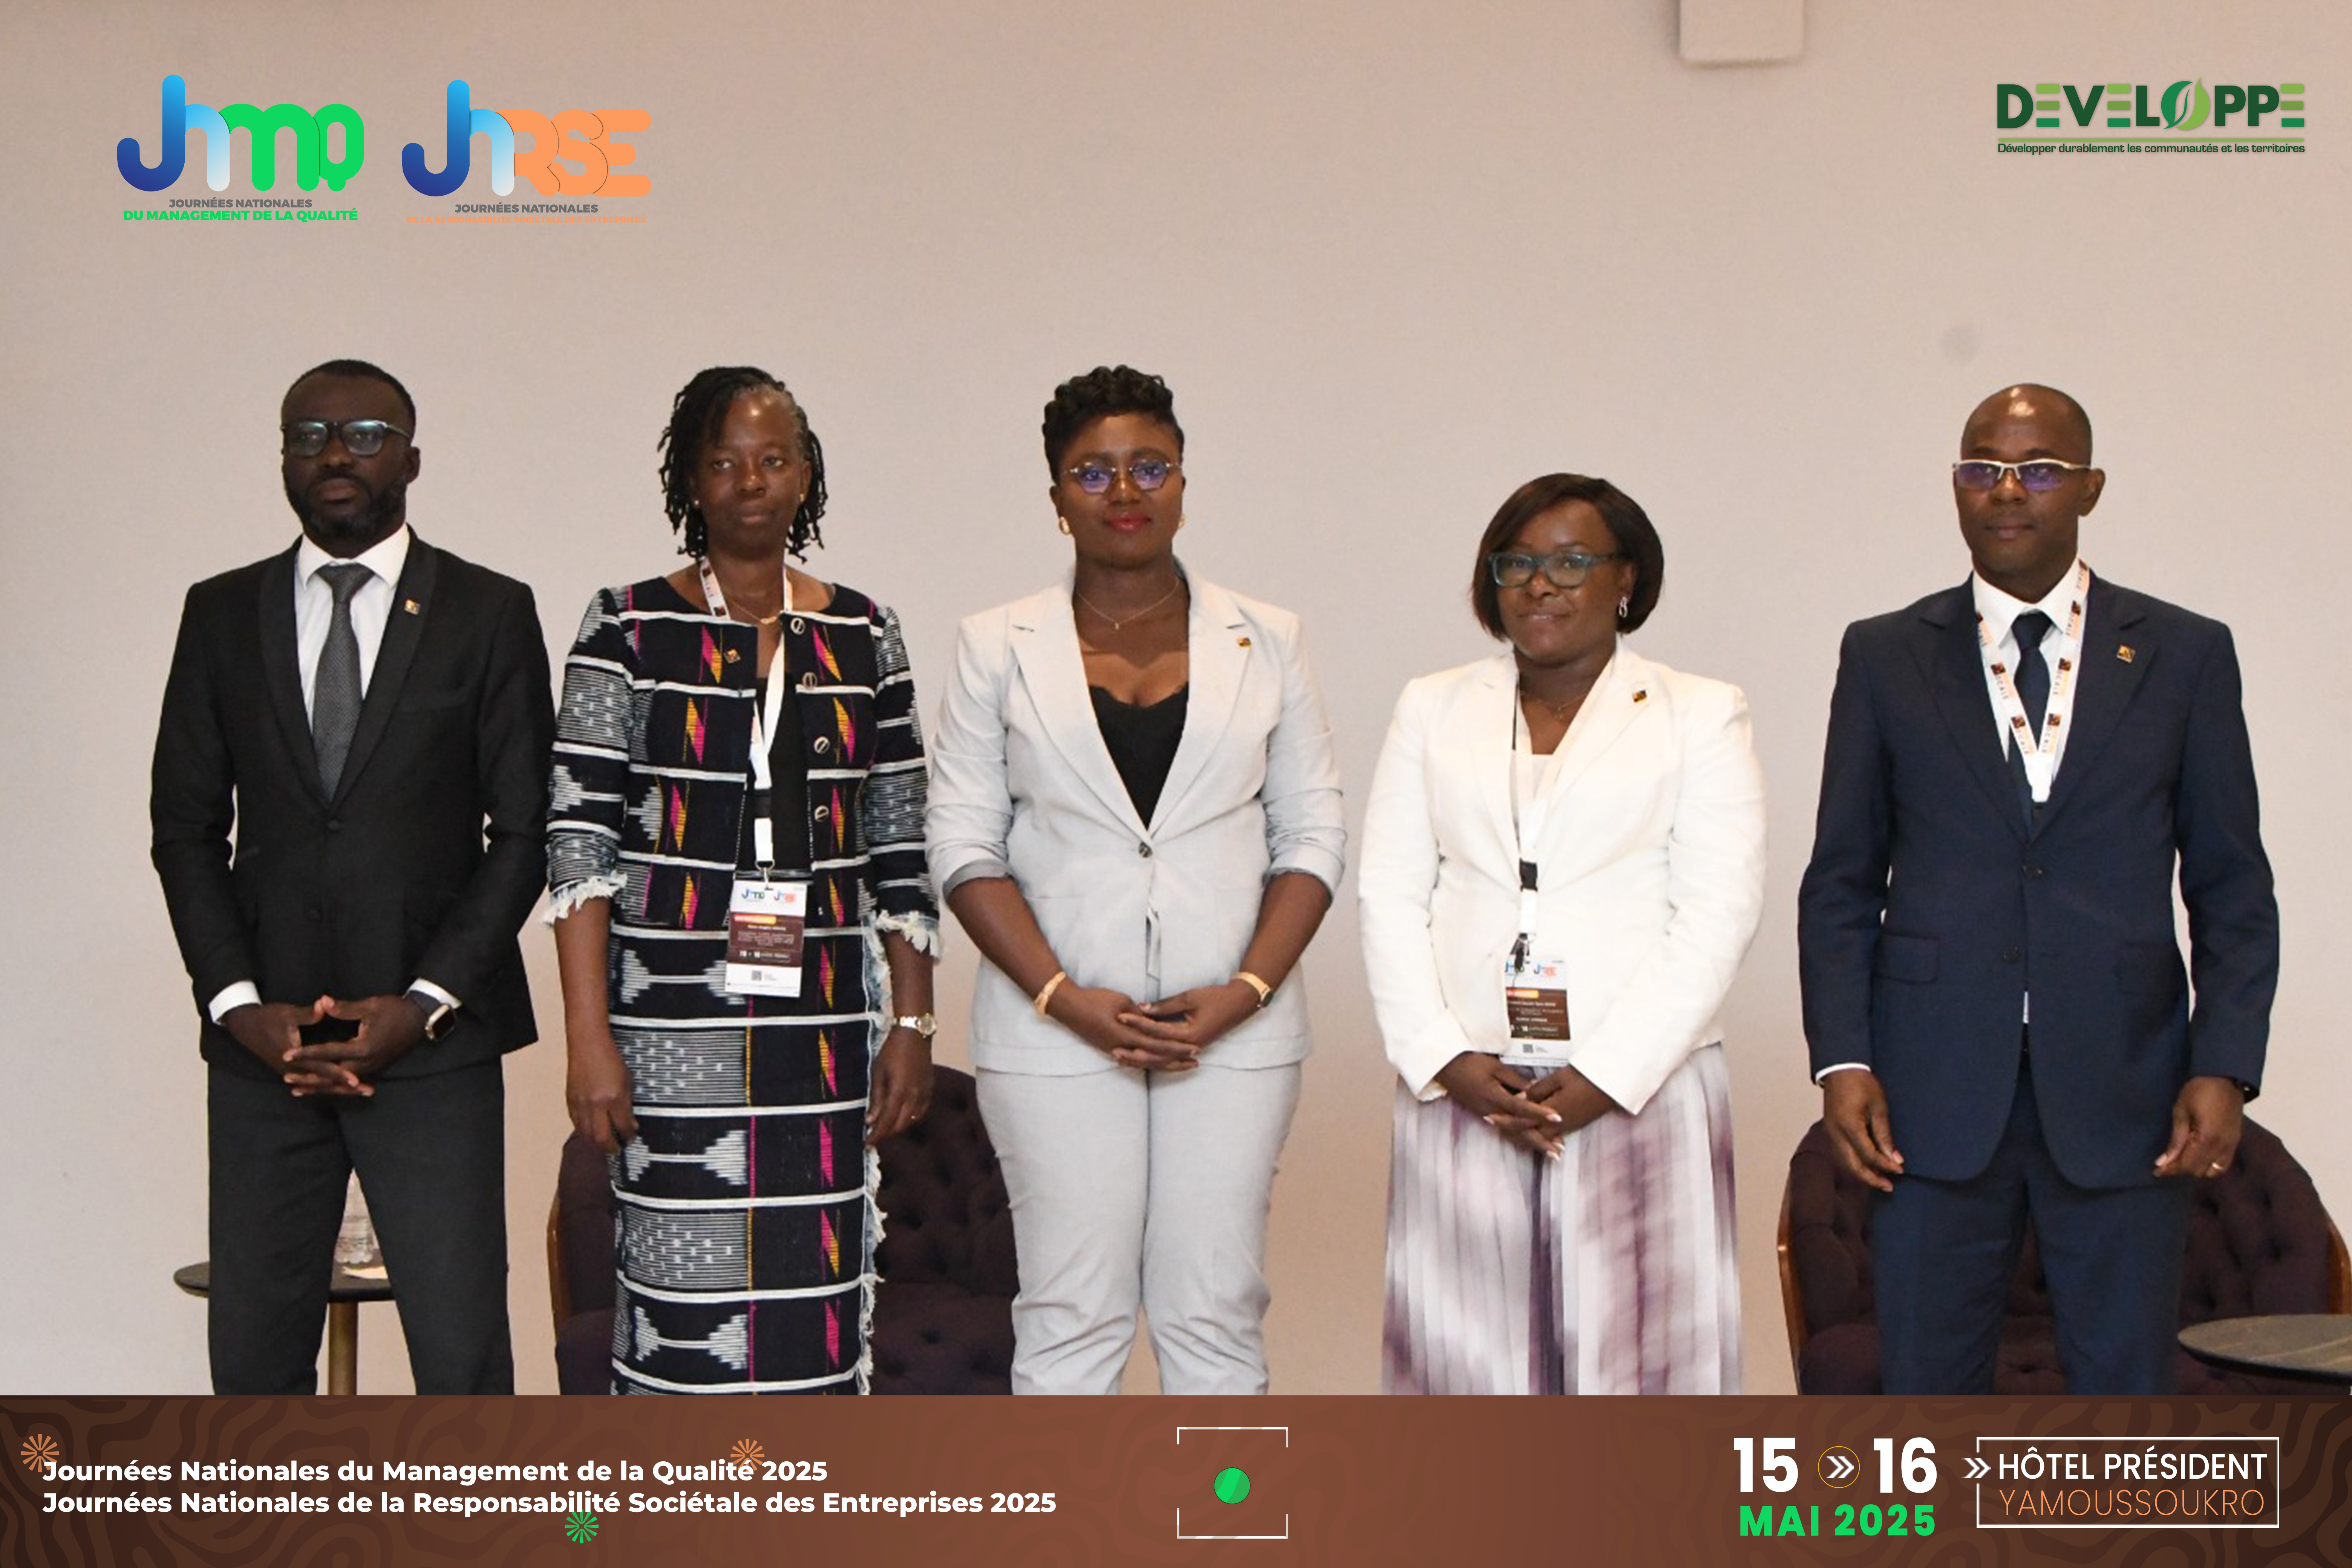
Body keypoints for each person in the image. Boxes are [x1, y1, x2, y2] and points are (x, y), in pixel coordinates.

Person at [1797, 384, 2277, 1394]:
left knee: (2124, 1401)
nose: (2007, 490)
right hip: (1928, 1097)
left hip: (2127, 1091)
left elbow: (2233, 885)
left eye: (2040, 470)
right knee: (1928, 1403)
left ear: (2091, 488)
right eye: (1983, 468)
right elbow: (1841, 880)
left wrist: (2225, 1065)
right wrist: (1843, 1057)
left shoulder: (2185, 653)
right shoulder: (1885, 654)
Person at [926, 365, 1344, 1395]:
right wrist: (1062, 995)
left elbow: (1311, 834)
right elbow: (965, 846)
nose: (1124, 491)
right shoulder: (996, 644)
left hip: (1234, 1026)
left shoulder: (1269, 637)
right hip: (1054, 1023)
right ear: (1056, 497)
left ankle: (1221, 1501)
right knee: (1071, 1314)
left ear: (1184, 482)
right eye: (1093, 472)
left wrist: (1246, 991)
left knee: (1215, 1312)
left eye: (1149, 467)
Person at [151, 359, 553, 1394]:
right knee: (253, 1365)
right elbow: (185, 829)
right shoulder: (220, 613)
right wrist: (237, 1006)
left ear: (412, 460)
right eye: (309, 435)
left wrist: (424, 1003)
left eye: (365, 434)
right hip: (266, 1051)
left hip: (432, 1045)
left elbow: (524, 832)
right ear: (284, 459)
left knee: (461, 1360)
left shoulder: (487, 610)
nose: (335, 454)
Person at [547, 366, 936, 1395]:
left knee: (814, 1311)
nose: (750, 481)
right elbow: (579, 845)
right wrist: (589, 1037)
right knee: (682, 1313)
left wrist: (913, 1023)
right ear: (690, 480)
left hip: (822, 1030)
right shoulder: (625, 626)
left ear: (807, 474)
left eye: (773, 459)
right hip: (669, 1033)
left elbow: (901, 842)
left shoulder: (866, 633)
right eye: (723, 461)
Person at [1359, 473, 1764, 1395]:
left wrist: (1608, 1076)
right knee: (1464, 1362)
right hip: (1470, 1084)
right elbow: (1389, 894)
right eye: (1518, 563)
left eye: (1572, 562)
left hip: (1639, 1084)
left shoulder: (1699, 712)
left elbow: (1718, 910)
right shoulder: (1433, 706)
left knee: (1642, 1363)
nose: (1540, 584)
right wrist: (1442, 1056)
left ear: (1627, 579)